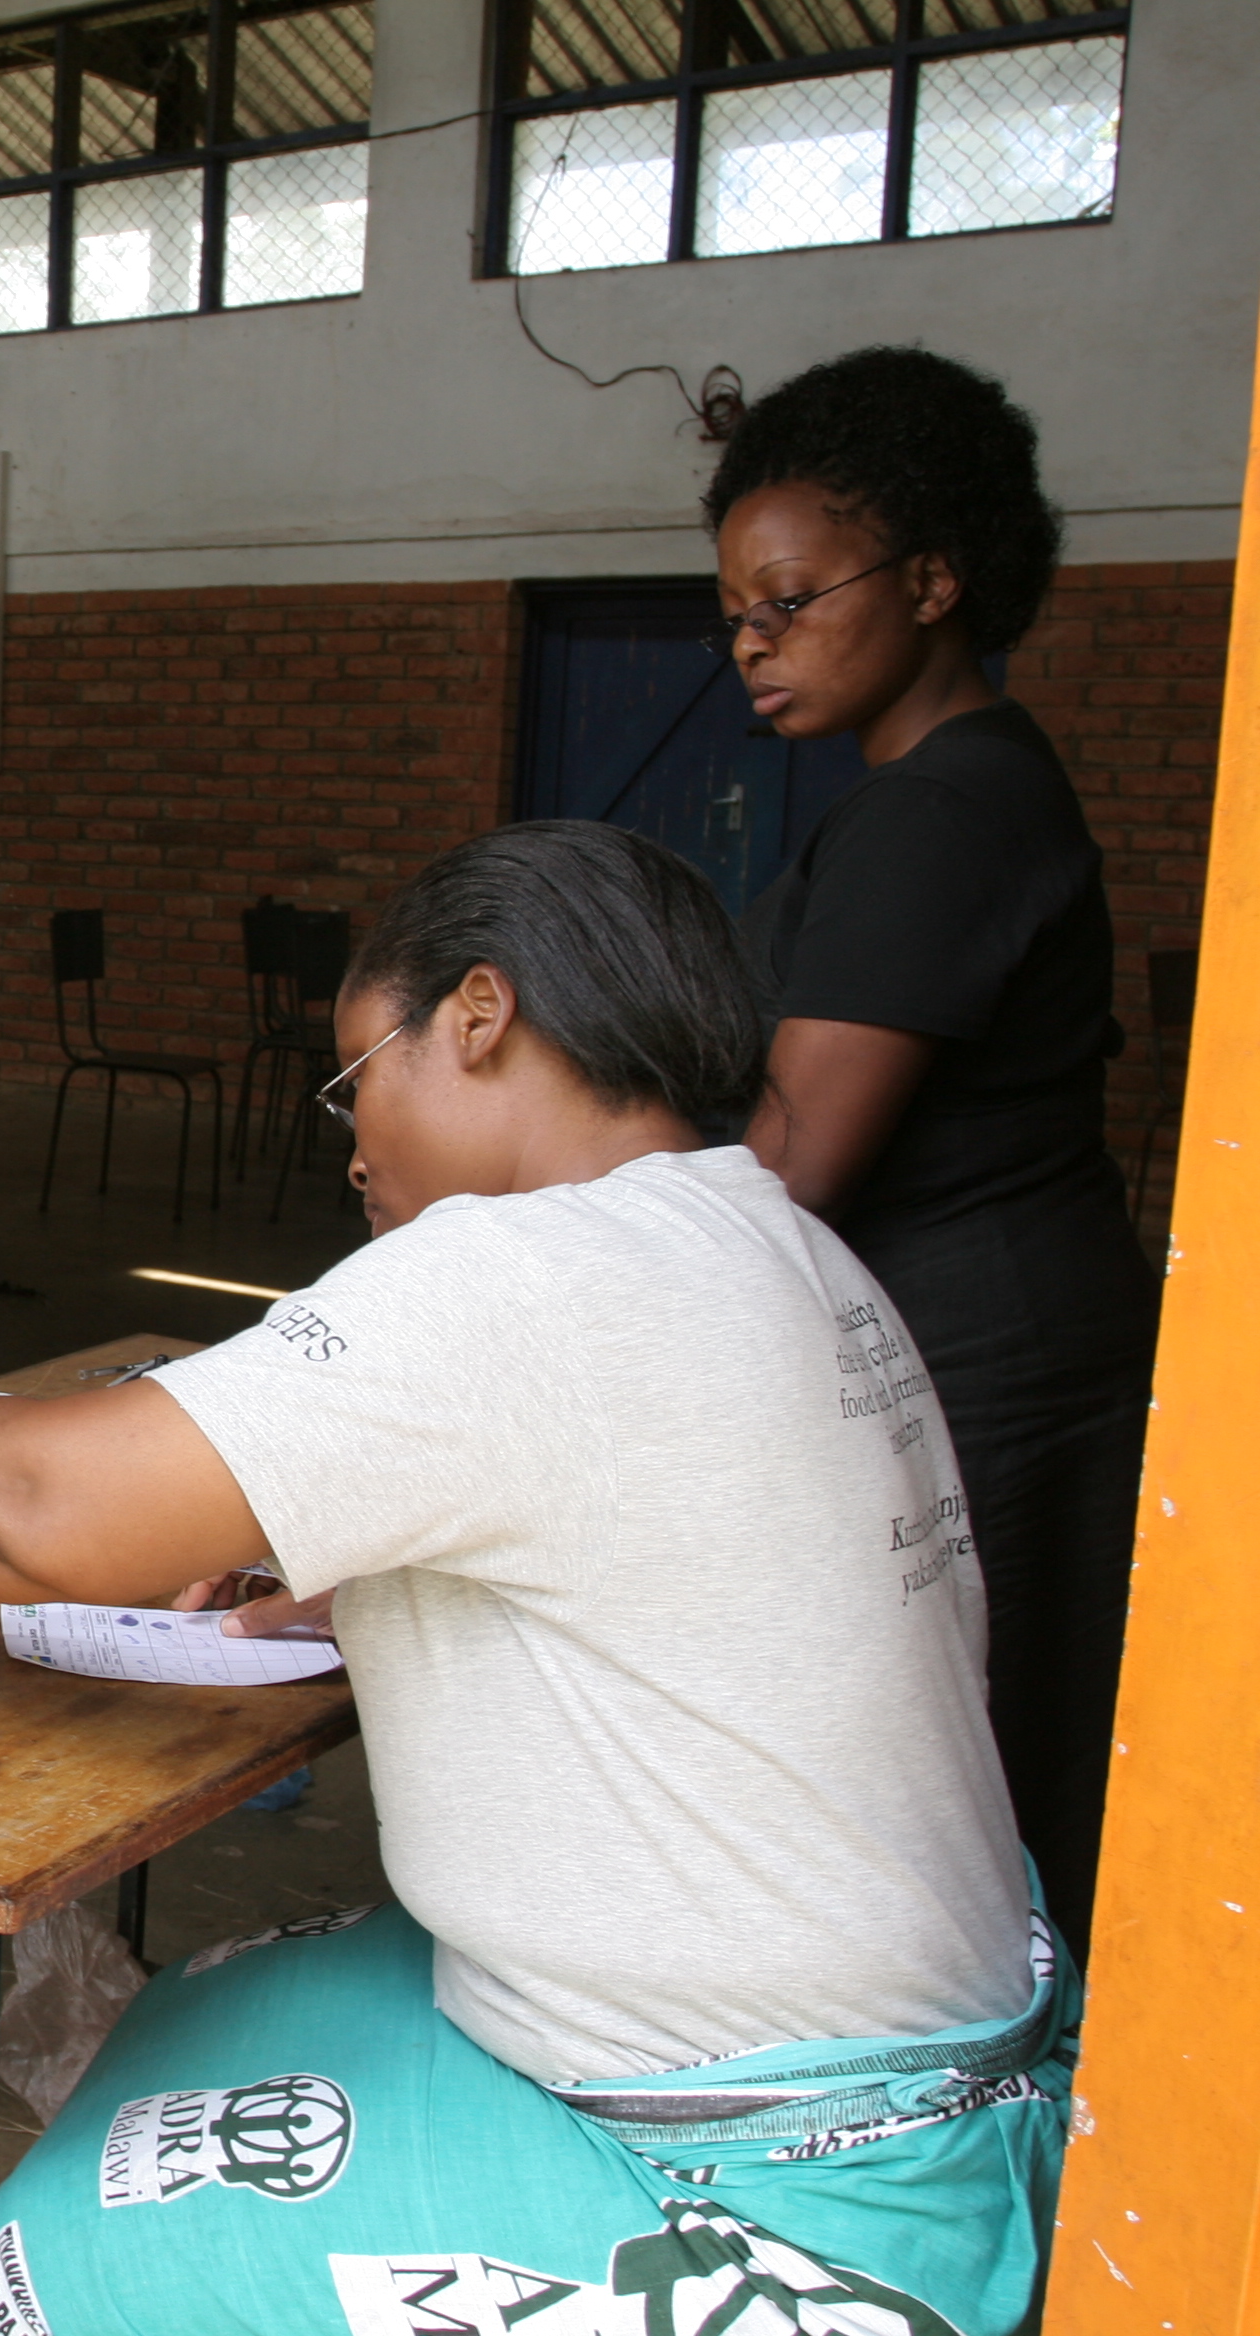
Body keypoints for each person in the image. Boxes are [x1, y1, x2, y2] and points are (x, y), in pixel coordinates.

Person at [0, 824, 1063, 2336]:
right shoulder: (773, 1243)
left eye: (358, 1075)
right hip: (935, 2063)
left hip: (768, 2175)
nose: (355, 1144)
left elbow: (37, 1501)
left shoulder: (521, 1269)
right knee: (185, 2013)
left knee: (41, 2262)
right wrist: (352, 1558)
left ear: (481, 1017)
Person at [711, 345, 1156, 1955]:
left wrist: (582, 1232)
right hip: (1022, 1327)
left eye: (793, 598)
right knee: (1013, 1766)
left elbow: (796, 1160)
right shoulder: (958, 783)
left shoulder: (935, 813)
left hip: (986, 1370)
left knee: (983, 1805)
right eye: (737, 614)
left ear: (936, 577)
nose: (755, 641)